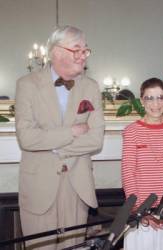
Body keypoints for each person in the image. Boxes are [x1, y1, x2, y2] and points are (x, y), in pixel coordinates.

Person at [15, 25, 105, 249]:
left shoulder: (91, 87)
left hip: (77, 185)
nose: (83, 55)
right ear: (56, 52)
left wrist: (57, 148)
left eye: (86, 50)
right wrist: (71, 132)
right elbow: (26, 138)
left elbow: (95, 139)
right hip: (39, 187)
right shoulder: (27, 85)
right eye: (77, 49)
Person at [121, 78, 163, 250]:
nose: (156, 103)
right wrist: (139, 211)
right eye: (149, 98)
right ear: (142, 101)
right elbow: (128, 173)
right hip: (142, 214)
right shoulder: (131, 131)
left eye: (160, 97)